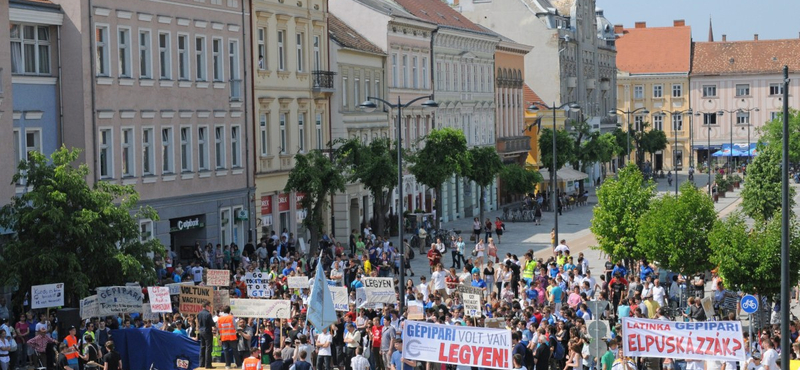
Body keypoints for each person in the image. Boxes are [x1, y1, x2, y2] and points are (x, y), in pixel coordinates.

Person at [198, 301, 215, 369]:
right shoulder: (208, 314)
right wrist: (214, 324)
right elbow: (212, 323)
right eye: (209, 306)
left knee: (202, 347)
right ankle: (208, 365)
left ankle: (201, 363)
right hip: (207, 331)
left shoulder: (199, 313)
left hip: (201, 331)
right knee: (208, 348)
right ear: (207, 306)